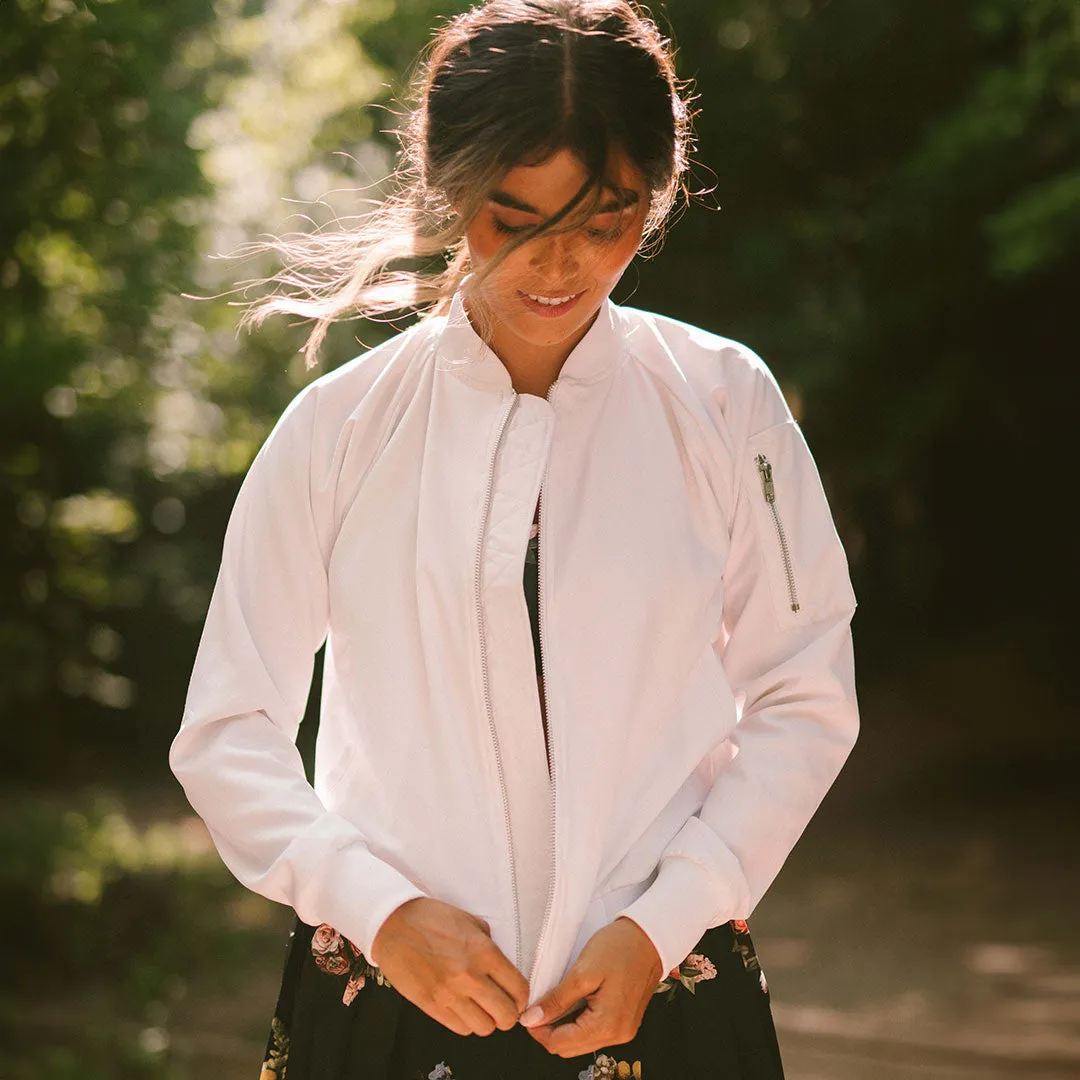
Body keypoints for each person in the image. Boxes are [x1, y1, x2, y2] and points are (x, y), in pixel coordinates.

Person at [168, 1, 860, 1077]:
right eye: (516, 219)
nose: (562, 265)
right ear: (449, 191)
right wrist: (380, 911)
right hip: (393, 1004)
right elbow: (227, 731)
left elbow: (804, 696)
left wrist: (665, 920)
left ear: (659, 196)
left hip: (665, 994)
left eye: (607, 219)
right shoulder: (339, 433)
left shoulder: (726, 407)